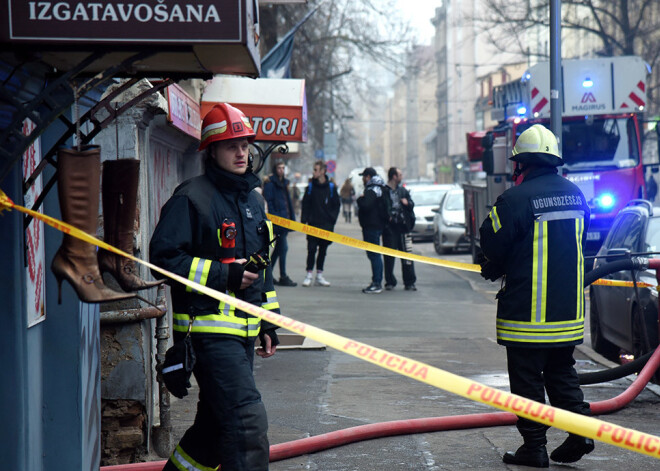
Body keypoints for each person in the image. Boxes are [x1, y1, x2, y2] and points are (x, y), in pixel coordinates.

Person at [150, 103, 281, 471]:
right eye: (231, 146)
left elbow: (262, 270)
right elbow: (163, 258)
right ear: (211, 150)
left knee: (212, 429)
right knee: (246, 425)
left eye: (245, 145)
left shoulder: (252, 201)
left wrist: (269, 321)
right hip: (207, 334)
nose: (241, 153)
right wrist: (225, 276)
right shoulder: (191, 198)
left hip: (243, 335)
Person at [478, 124, 594, 468]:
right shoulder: (576, 195)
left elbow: (491, 241)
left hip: (528, 314)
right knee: (561, 372)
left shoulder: (514, 199)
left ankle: (534, 447)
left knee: (527, 381)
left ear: (520, 164)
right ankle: (580, 432)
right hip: (568, 314)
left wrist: (494, 265)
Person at [300, 160, 341, 287]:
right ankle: (308, 275)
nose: (314, 172)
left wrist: (331, 219)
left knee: (323, 250)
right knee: (311, 249)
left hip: (326, 224)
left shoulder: (331, 187)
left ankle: (319, 275)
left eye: (316, 169)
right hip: (313, 224)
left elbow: (336, 205)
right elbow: (305, 204)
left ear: (323, 171)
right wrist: (304, 219)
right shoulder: (311, 187)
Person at [263, 160, 297, 287]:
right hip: (278, 222)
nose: (281, 170)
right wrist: (275, 218)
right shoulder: (271, 184)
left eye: (283, 168)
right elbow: (270, 202)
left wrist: (291, 219)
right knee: (283, 248)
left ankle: (268, 273)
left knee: (278, 248)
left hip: (285, 220)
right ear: (275, 169)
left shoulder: (284, 183)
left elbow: (288, 203)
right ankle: (283, 276)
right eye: (279, 168)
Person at [383, 167, 417, 291]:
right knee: (389, 257)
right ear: (394, 177)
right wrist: (388, 217)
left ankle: (409, 282)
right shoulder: (385, 191)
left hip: (404, 228)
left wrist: (407, 203)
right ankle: (390, 281)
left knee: (407, 256)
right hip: (390, 229)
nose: (401, 176)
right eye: (400, 174)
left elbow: (412, 204)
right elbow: (382, 208)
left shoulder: (403, 191)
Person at [357, 167, 389, 294]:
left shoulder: (371, 189)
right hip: (377, 225)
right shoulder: (380, 187)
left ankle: (376, 283)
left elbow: (366, 205)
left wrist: (360, 199)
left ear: (368, 177)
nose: (363, 179)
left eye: (364, 176)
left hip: (371, 226)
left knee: (374, 255)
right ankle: (377, 281)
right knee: (375, 254)